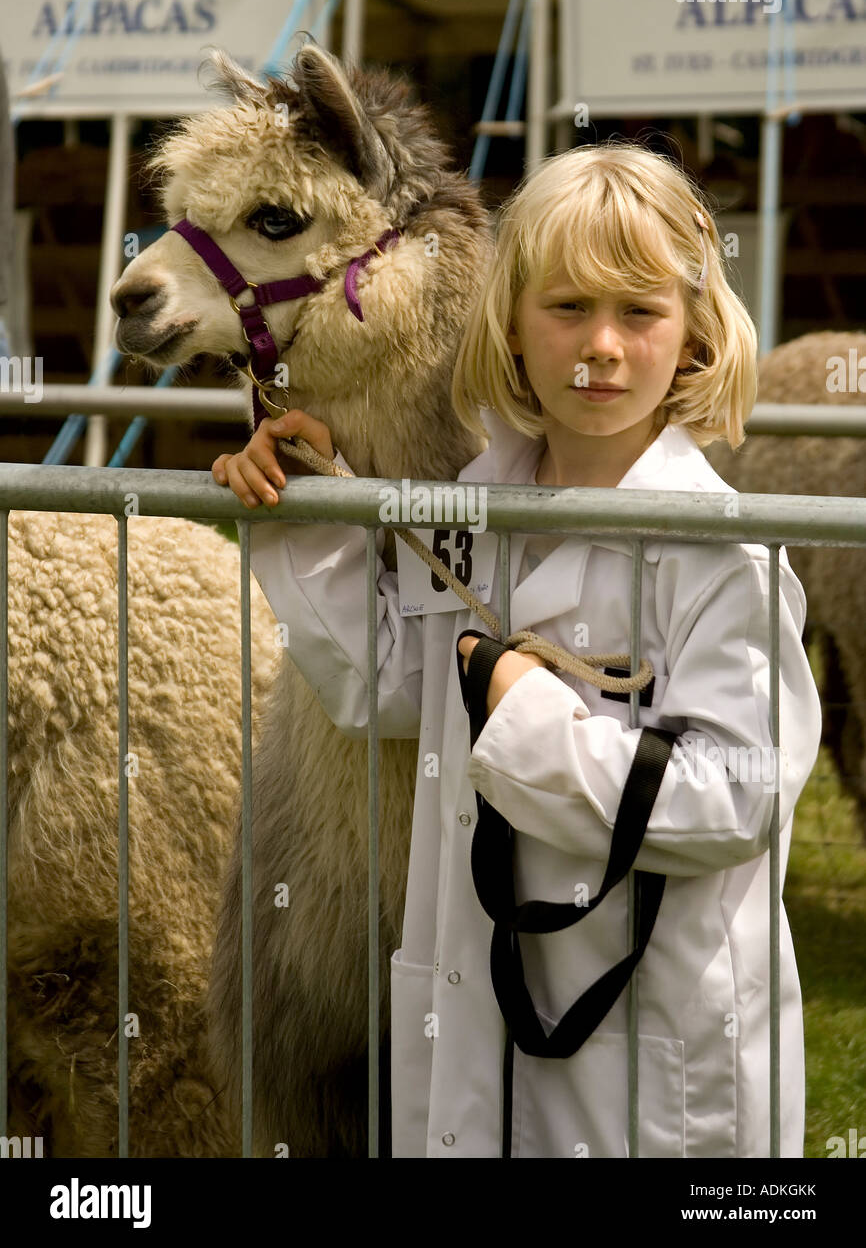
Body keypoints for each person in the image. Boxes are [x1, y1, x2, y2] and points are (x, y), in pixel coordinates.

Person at [212, 142, 822, 1159]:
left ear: (694, 332)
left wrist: (526, 717)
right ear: (507, 320)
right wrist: (308, 507)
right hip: (481, 1011)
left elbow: (737, 795)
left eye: (638, 312)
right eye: (566, 307)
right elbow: (386, 684)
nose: (601, 347)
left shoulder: (717, 553)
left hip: (647, 1045)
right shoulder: (474, 511)